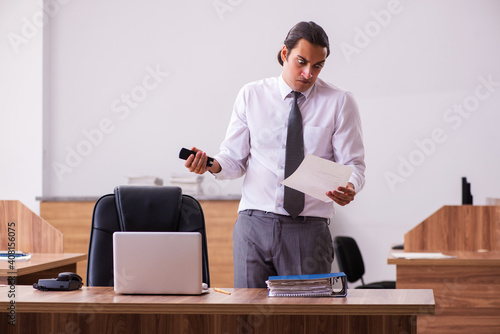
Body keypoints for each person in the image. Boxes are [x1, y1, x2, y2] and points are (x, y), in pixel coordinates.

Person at [185, 21, 365, 288]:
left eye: (317, 66)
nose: (308, 73)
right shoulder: (251, 95)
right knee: (247, 318)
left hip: (309, 229)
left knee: (306, 321)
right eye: (301, 62)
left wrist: (350, 185)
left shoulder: (339, 101)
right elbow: (233, 160)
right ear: (284, 54)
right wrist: (210, 165)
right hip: (253, 225)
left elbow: (354, 165)